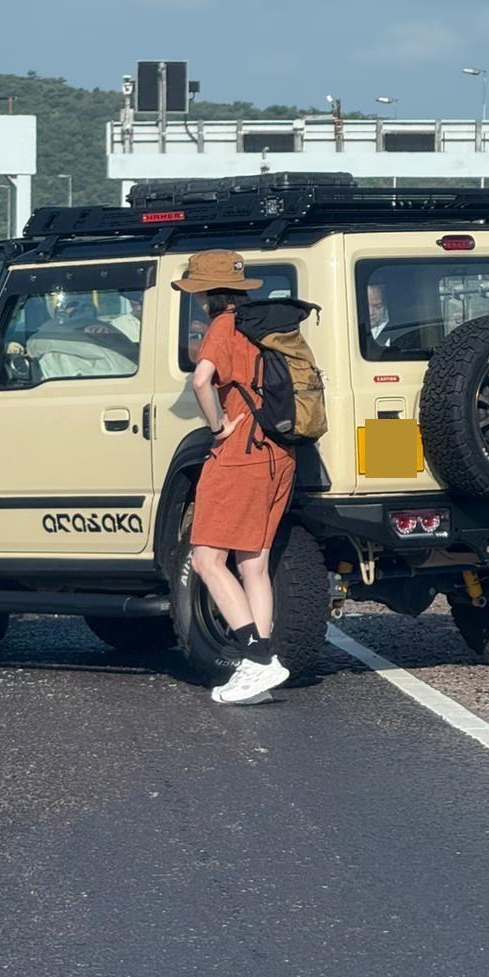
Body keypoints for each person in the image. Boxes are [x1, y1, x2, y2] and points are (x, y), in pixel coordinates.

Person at [174, 250, 296, 705]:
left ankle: (258, 656)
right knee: (253, 565)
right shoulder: (264, 324)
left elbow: (201, 380)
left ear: (206, 292)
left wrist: (217, 426)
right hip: (278, 454)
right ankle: (257, 672)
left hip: (239, 457)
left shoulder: (222, 327)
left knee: (207, 559)